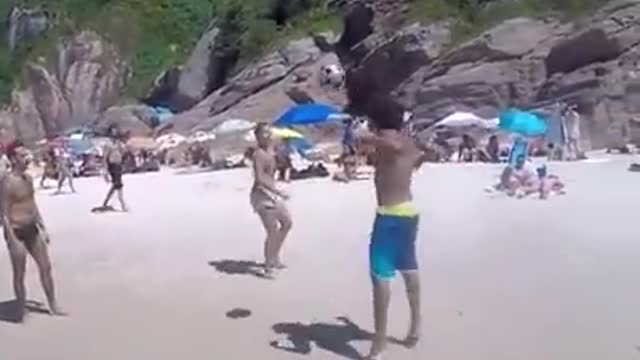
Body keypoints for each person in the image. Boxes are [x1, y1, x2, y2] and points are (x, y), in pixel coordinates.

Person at [354, 95, 424, 360]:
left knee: (381, 277)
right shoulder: (405, 143)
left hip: (390, 214)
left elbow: (390, 145)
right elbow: (368, 150)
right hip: (407, 212)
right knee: (408, 266)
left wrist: (367, 136)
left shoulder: (394, 142)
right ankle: (415, 327)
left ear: (375, 121)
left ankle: (379, 344)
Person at [1, 140, 65, 320]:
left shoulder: (28, 178)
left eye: (26, 154)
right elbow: (4, 213)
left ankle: (53, 304)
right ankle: (20, 310)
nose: (27, 158)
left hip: (32, 229)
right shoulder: (7, 182)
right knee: (19, 273)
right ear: (13, 159)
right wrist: (11, 237)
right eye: (22, 156)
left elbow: (32, 204)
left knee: (46, 267)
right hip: (16, 231)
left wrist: (43, 226)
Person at [250, 123, 292, 279]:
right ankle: (268, 266)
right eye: (264, 133)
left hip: (272, 194)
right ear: (258, 137)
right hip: (261, 195)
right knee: (272, 231)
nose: (268, 136)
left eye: (269, 133)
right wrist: (278, 191)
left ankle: (274, 256)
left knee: (287, 223)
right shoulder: (258, 154)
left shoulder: (271, 151)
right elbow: (260, 179)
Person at [99, 129, 128, 212]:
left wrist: (121, 146)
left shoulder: (118, 144)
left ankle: (105, 202)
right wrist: (105, 170)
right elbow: (104, 158)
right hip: (112, 166)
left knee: (115, 185)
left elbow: (123, 153)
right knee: (118, 184)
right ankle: (122, 204)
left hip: (119, 165)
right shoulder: (107, 145)